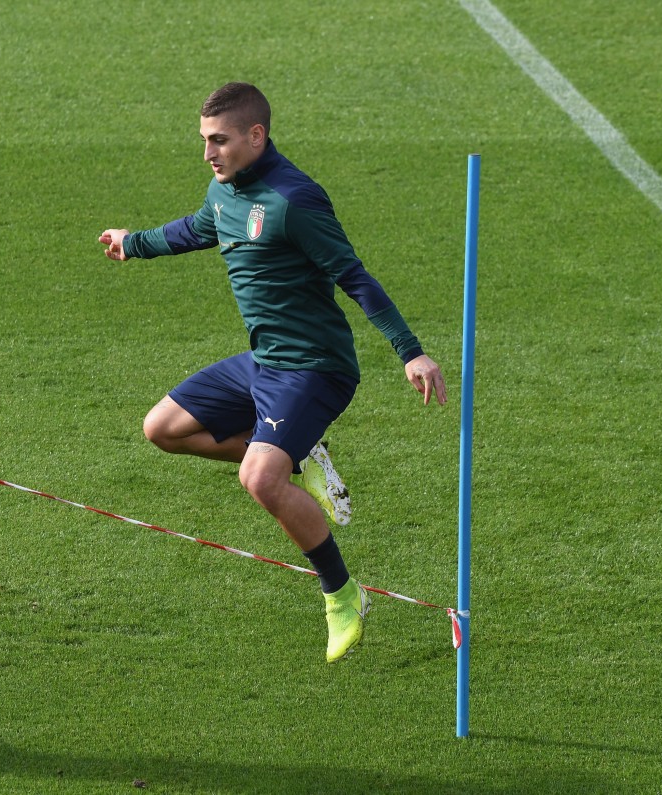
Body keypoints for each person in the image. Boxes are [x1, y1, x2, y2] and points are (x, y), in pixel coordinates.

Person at [99, 82, 446, 664]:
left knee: (260, 479)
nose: (209, 153)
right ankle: (301, 456)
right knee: (162, 428)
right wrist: (135, 244)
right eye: (204, 141)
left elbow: (353, 276)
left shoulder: (294, 200)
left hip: (314, 368)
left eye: (220, 140)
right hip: (263, 362)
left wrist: (410, 351)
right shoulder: (225, 189)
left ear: (256, 136)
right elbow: (199, 227)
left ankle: (343, 593)